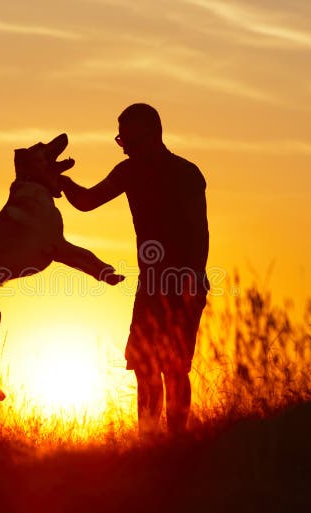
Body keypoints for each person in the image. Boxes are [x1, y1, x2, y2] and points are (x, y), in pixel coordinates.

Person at [59, 103, 209, 435]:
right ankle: (150, 441)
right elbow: (85, 201)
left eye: (125, 137)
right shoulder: (130, 172)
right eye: (120, 139)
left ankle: (176, 442)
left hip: (183, 283)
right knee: (145, 366)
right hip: (152, 285)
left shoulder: (186, 173)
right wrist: (61, 181)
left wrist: (192, 281)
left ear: (148, 133)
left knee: (175, 369)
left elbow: (200, 233)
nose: (123, 145)